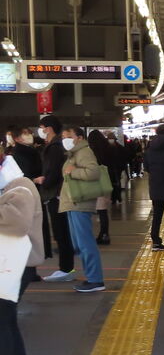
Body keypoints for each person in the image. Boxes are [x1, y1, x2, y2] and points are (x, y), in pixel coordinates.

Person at [0, 142, 42, 355]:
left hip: (16, 262)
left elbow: (16, 223)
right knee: (7, 318)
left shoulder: (21, 186)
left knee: (2, 318)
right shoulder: (9, 185)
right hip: (9, 261)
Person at [59, 126, 105, 294]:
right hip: (74, 202)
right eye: (63, 137)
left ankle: (95, 280)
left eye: (68, 136)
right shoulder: (74, 153)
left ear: (79, 137)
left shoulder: (84, 152)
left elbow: (93, 172)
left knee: (85, 243)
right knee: (80, 243)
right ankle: (91, 277)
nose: (65, 140)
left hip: (80, 202)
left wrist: (73, 172)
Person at [35, 117, 75, 281]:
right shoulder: (56, 145)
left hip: (56, 195)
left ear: (49, 128)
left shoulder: (54, 147)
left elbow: (53, 171)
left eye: (42, 127)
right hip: (58, 193)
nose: (40, 130)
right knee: (62, 231)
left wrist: (43, 182)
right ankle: (66, 268)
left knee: (61, 232)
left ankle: (66, 269)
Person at [87, 130, 113, 244]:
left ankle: (100, 235)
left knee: (91, 210)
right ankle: (104, 234)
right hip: (106, 182)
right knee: (103, 210)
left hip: (95, 183)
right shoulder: (109, 149)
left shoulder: (91, 152)